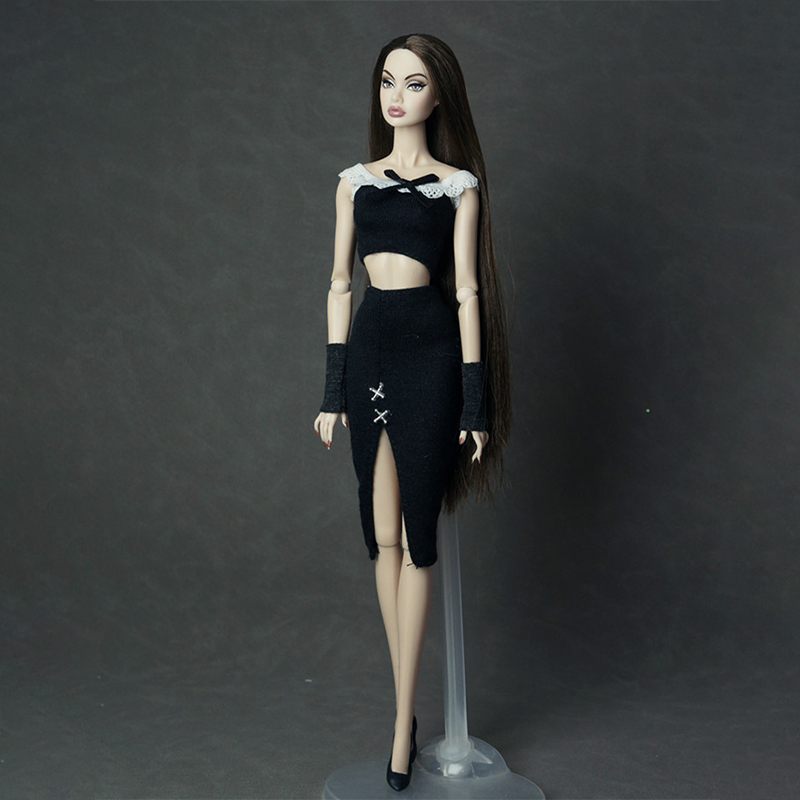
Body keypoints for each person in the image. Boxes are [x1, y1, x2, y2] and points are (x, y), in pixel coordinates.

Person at [313, 33, 510, 792]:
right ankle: (404, 710)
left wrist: (475, 399)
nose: (397, 96)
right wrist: (333, 391)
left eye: (415, 83)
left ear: (439, 96)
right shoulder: (353, 184)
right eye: (388, 82)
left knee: (418, 540)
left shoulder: (458, 189)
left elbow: (467, 292)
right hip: (371, 355)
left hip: (430, 359)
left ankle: (402, 726)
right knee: (382, 536)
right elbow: (339, 285)